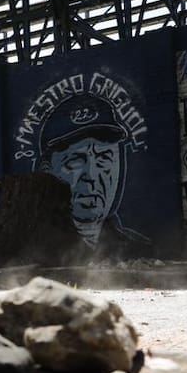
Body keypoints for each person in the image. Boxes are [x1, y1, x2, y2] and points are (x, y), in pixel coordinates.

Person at [37, 93, 149, 256]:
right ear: (47, 172)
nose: (91, 176)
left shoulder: (139, 251)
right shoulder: (39, 251)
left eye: (103, 158)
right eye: (75, 161)